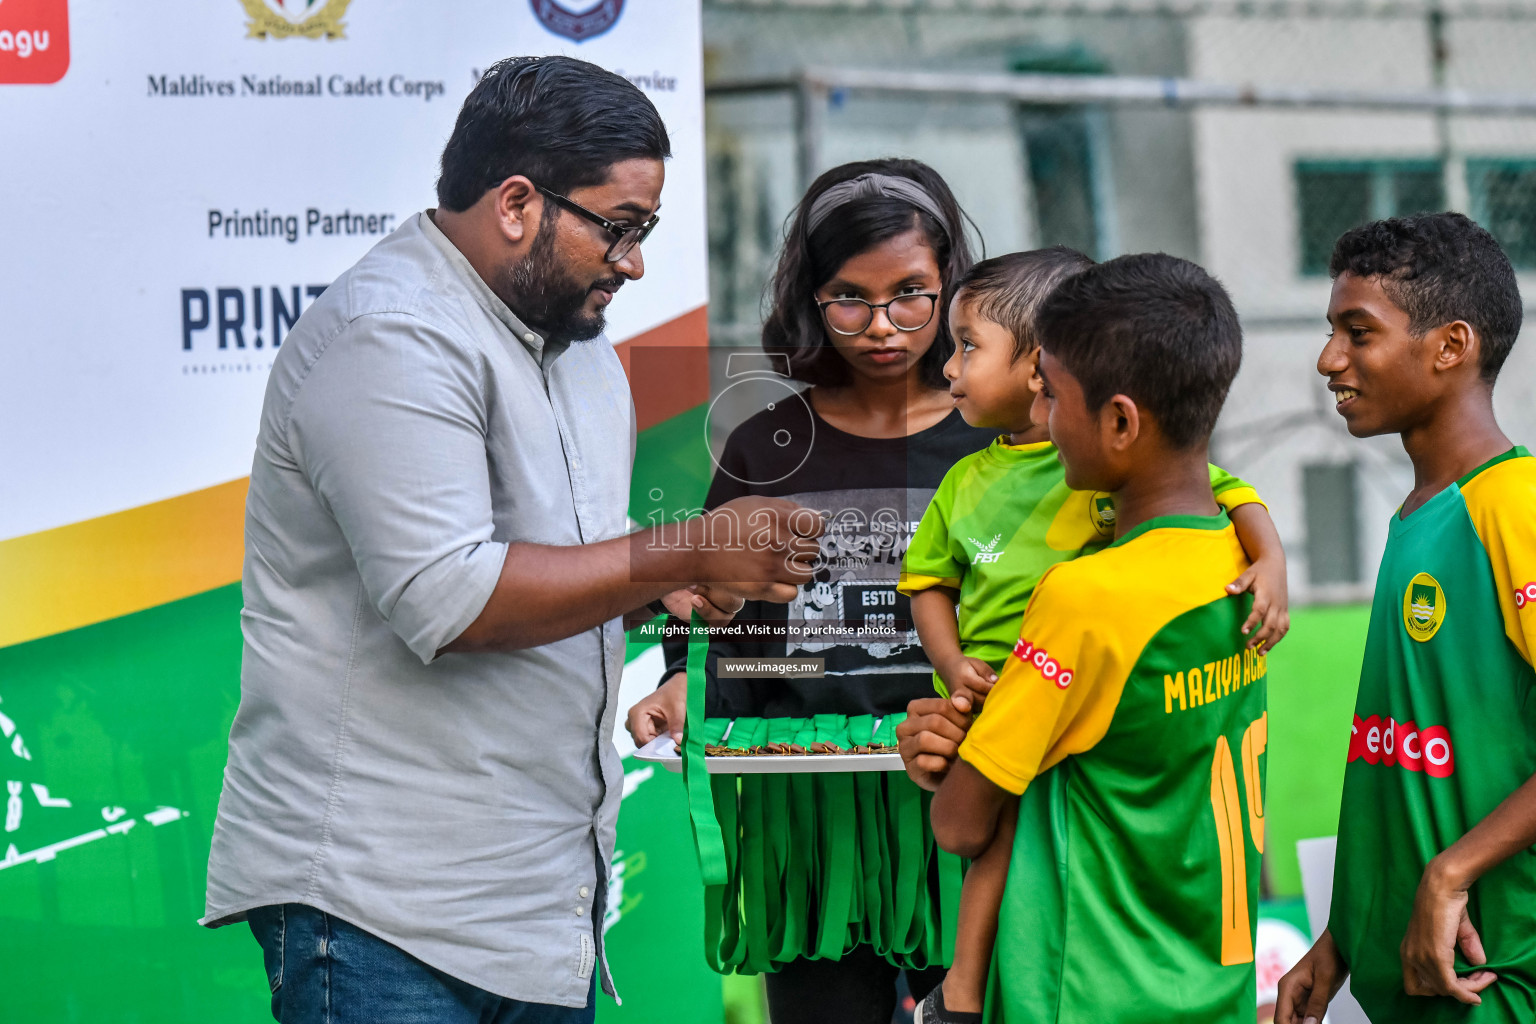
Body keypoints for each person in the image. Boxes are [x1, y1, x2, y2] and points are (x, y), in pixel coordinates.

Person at [201, 56, 820, 1024]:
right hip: (380, 907)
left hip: (533, 900)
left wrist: (668, 590)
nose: (635, 262)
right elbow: (452, 597)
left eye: (646, 232)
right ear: (519, 202)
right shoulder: (392, 335)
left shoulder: (573, 348)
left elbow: (575, 550)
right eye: (620, 227)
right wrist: (686, 551)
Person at [625, 159, 989, 1023]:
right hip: (808, 828)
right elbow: (708, 605)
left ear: (954, 288)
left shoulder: (1000, 438)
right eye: (848, 299)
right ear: (809, 300)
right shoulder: (762, 443)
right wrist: (684, 677)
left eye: (912, 294)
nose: (883, 326)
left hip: (967, 798)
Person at [899, 249, 1288, 1024]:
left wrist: (934, 755)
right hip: (1208, 987)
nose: (1043, 411)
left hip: (1086, 990)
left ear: (1118, 421)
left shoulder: (1085, 597)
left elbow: (961, 824)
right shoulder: (1235, 561)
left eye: (1056, 396)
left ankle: (958, 999)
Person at [1276, 213, 1536, 1023]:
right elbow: (1401, 760)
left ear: (1450, 346)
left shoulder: (1514, 506)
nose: (1330, 360)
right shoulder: (1419, 513)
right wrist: (1344, 937)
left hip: (1496, 981)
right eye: (1331, 331)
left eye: (1359, 332)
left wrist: (1451, 873)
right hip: (1405, 979)